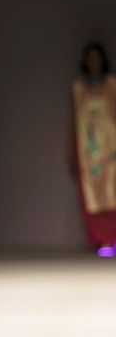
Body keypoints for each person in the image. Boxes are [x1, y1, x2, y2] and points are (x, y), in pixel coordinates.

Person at [68, 42, 116, 253]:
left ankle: (113, 238)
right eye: (90, 58)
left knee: (112, 193)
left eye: (97, 58)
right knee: (91, 197)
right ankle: (101, 240)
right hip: (89, 152)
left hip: (111, 150)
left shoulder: (112, 86)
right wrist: (71, 149)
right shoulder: (79, 89)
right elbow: (75, 121)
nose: (94, 62)